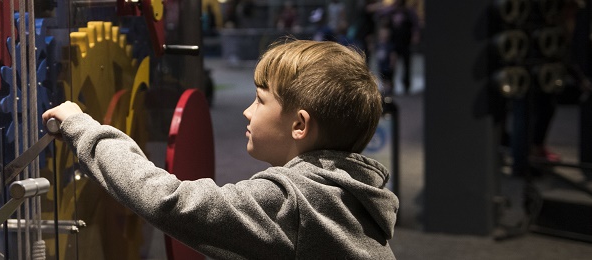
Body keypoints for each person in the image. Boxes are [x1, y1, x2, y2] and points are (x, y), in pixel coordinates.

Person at [42, 39, 399, 259]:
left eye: (260, 101)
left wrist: (80, 126)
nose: (246, 111)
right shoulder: (352, 196)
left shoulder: (294, 204)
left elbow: (166, 200)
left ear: (300, 126)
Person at [377, 0, 419, 94]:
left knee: (406, 65)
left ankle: (406, 85)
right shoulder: (392, 10)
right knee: (392, 65)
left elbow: (415, 25)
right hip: (394, 43)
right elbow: (380, 14)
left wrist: (415, 35)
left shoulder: (408, 11)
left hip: (405, 43)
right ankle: (390, 85)